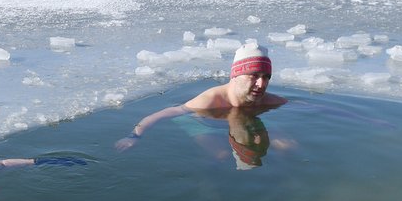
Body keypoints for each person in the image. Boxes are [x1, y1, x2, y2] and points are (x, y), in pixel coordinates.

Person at [116, 42, 288, 153]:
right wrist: (134, 136)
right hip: (197, 121)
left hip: (238, 124)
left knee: (287, 146)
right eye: (254, 76)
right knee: (220, 154)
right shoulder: (209, 101)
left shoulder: (265, 99)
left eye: (266, 77)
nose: (261, 84)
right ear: (236, 75)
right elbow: (162, 114)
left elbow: (300, 106)